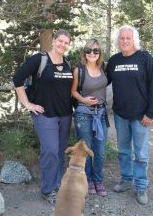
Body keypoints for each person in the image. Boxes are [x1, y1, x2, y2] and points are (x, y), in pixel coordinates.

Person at [12, 29, 73, 206]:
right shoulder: (39, 59)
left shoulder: (68, 63)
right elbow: (17, 79)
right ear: (53, 41)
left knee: (60, 152)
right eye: (60, 41)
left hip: (65, 115)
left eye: (66, 42)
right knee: (50, 151)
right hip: (45, 115)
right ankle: (47, 190)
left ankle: (58, 186)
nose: (62, 44)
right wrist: (27, 104)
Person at [106, 25, 153, 205]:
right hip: (120, 115)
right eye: (121, 38)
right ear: (118, 41)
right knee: (123, 151)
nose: (124, 41)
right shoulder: (114, 61)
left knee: (141, 154)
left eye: (127, 38)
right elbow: (100, 81)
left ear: (134, 40)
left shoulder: (145, 58)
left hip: (141, 116)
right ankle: (126, 180)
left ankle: (140, 186)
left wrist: (151, 113)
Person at [71, 38, 109, 197]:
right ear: (84, 53)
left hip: (101, 115)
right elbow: (73, 91)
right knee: (86, 151)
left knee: (99, 151)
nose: (92, 53)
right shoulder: (79, 70)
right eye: (88, 50)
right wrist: (84, 100)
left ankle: (98, 180)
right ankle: (87, 180)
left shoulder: (104, 68)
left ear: (100, 53)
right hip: (84, 115)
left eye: (95, 51)